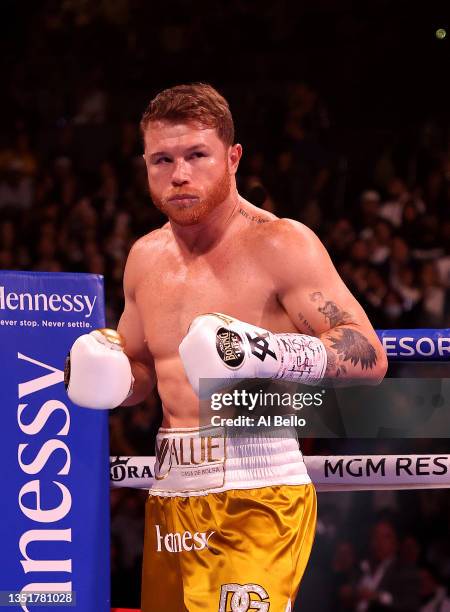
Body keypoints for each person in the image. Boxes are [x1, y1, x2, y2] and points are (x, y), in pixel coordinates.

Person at [66, 83, 387, 612]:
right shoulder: (144, 257)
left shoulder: (280, 242)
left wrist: (268, 351)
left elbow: (370, 357)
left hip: (257, 492)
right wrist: (109, 377)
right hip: (169, 494)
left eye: (197, 155)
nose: (180, 174)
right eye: (162, 160)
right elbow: (144, 371)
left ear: (233, 157)